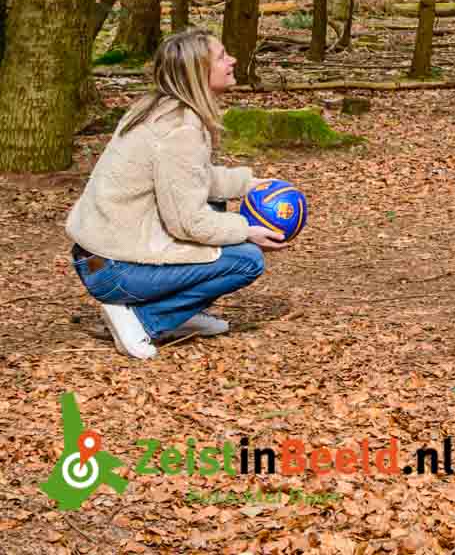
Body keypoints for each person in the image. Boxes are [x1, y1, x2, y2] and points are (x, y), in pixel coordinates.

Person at [65, 29, 290, 358]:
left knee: (216, 207)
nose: (233, 61)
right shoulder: (180, 131)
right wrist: (247, 230)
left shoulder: (158, 109)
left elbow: (190, 180)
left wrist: (251, 185)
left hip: (97, 257)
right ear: (199, 72)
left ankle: (178, 312)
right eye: (222, 56)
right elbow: (189, 223)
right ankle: (145, 319)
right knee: (246, 260)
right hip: (114, 271)